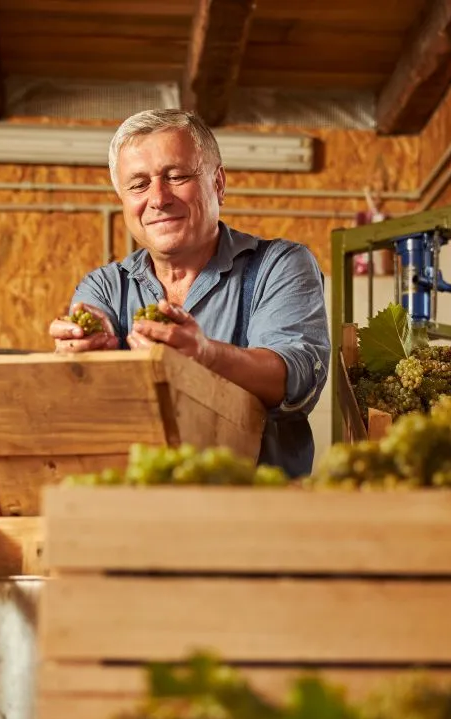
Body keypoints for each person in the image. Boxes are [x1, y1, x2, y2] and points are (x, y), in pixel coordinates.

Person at [48, 108, 331, 479]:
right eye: (138, 184)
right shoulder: (104, 287)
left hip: (257, 517)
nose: (158, 198)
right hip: (136, 517)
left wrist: (205, 355)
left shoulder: (280, 265)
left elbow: (296, 381)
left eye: (176, 176)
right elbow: (84, 412)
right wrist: (78, 359)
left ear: (218, 184)